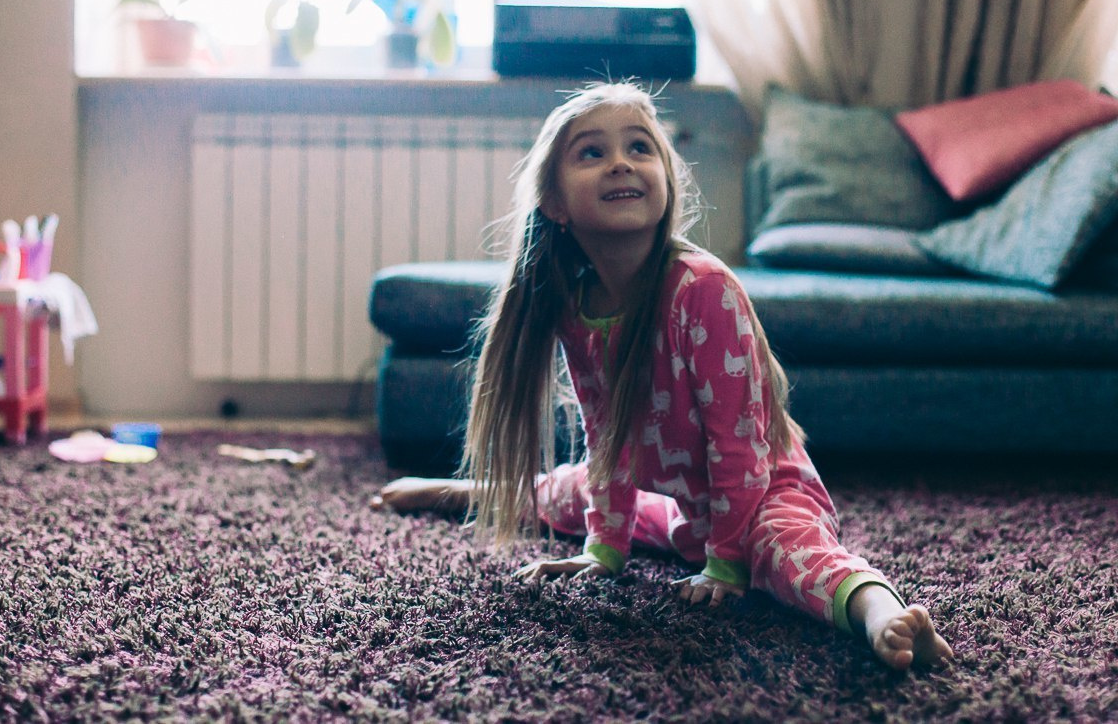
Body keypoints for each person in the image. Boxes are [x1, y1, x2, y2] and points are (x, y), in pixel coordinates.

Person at [371, 82, 953, 671]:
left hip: (764, 489)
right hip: (681, 507)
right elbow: (608, 440)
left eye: (640, 148)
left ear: (667, 178)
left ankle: (885, 616)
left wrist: (725, 562)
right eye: (592, 153)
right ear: (554, 203)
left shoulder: (704, 289)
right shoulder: (577, 304)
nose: (621, 162)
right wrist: (604, 549)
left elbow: (739, 444)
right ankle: (472, 493)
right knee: (575, 495)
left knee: (785, 553)